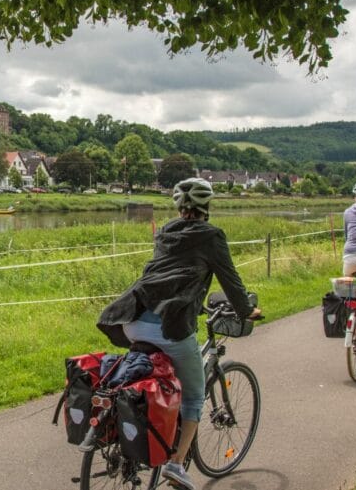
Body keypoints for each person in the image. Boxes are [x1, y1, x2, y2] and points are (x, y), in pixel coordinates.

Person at [96, 177, 260, 490]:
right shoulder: (212, 235)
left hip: (132, 319)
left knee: (150, 376)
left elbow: (171, 274)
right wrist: (244, 310)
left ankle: (137, 433)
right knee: (194, 396)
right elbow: (230, 280)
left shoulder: (167, 230)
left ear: (179, 206)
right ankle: (176, 464)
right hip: (169, 329)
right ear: (206, 206)